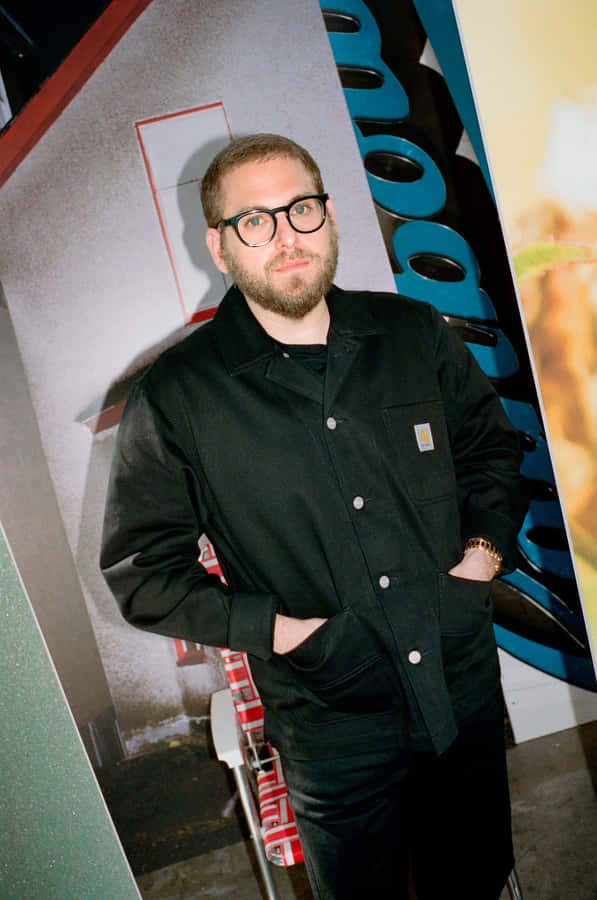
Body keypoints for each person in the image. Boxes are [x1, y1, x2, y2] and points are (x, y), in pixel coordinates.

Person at [101, 133, 528, 898]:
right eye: (254, 221)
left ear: (330, 218)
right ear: (220, 246)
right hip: (334, 721)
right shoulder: (176, 396)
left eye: (301, 208)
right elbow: (143, 576)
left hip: (459, 689)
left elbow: (491, 455)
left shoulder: (412, 333)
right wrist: (281, 631)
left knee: (474, 877)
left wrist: (481, 558)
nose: (286, 235)